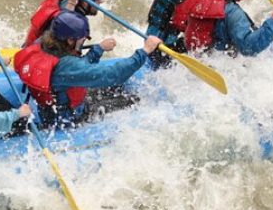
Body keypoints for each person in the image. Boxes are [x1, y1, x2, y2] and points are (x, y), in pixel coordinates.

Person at [15, 11, 162, 127]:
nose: (82, 41)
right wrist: (144, 51)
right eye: (81, 39)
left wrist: (98, 49)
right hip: (69, 117)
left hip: (53, 105)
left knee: (117, 88)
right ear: (70, 40)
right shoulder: (66, 67)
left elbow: (77, 70)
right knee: (133, 100)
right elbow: (112, 75)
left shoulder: (42, 43)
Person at [22, 0, 105, 47]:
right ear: (84, 2)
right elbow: (50, 46)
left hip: (31, 47)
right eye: (97, 1)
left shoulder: (62, 0)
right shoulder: (64, 22)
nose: (100, 4)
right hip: (37, 58)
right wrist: (99, 49)